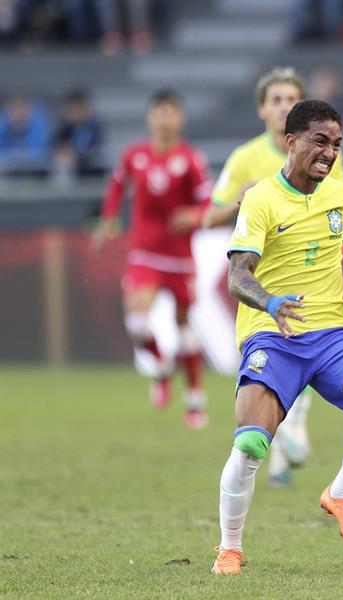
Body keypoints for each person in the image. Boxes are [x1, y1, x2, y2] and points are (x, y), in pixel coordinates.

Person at [212, 99, 343, 575]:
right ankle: (230, 548)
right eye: (320, 141)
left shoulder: (340, 195)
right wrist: (271, 303)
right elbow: (238, 276)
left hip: (332, 332)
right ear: (291, 140)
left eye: (336, 144)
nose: (329, 152)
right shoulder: (259, 198)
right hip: (272, 336)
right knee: (252, 445)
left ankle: (340, 493)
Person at [203, 66, 343, 487]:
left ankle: (294, 425)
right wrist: (241, 201)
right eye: (277, 100)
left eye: (291, 98)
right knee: (272, 355)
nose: (284, 105)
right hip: (260, 267)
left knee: (305, 335)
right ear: (263, 110)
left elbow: (339, 204)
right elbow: (208, 215)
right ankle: (283, 438)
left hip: (308, 266)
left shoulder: (322, 147)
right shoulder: (245, 158)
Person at [92, 89, 210, 428]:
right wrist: (107, 221)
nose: (165, 118)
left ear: (180, 119)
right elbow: (116, 188)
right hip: (144, 252)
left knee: (184, 325)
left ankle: (194, 399)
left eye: (171, 112)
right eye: (159, 111)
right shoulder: (134, 156)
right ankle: (161, 367)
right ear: (150, 117)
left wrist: (191, 215)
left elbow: (207, 203)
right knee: (137, 323)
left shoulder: (191, 159)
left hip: (179, 256)